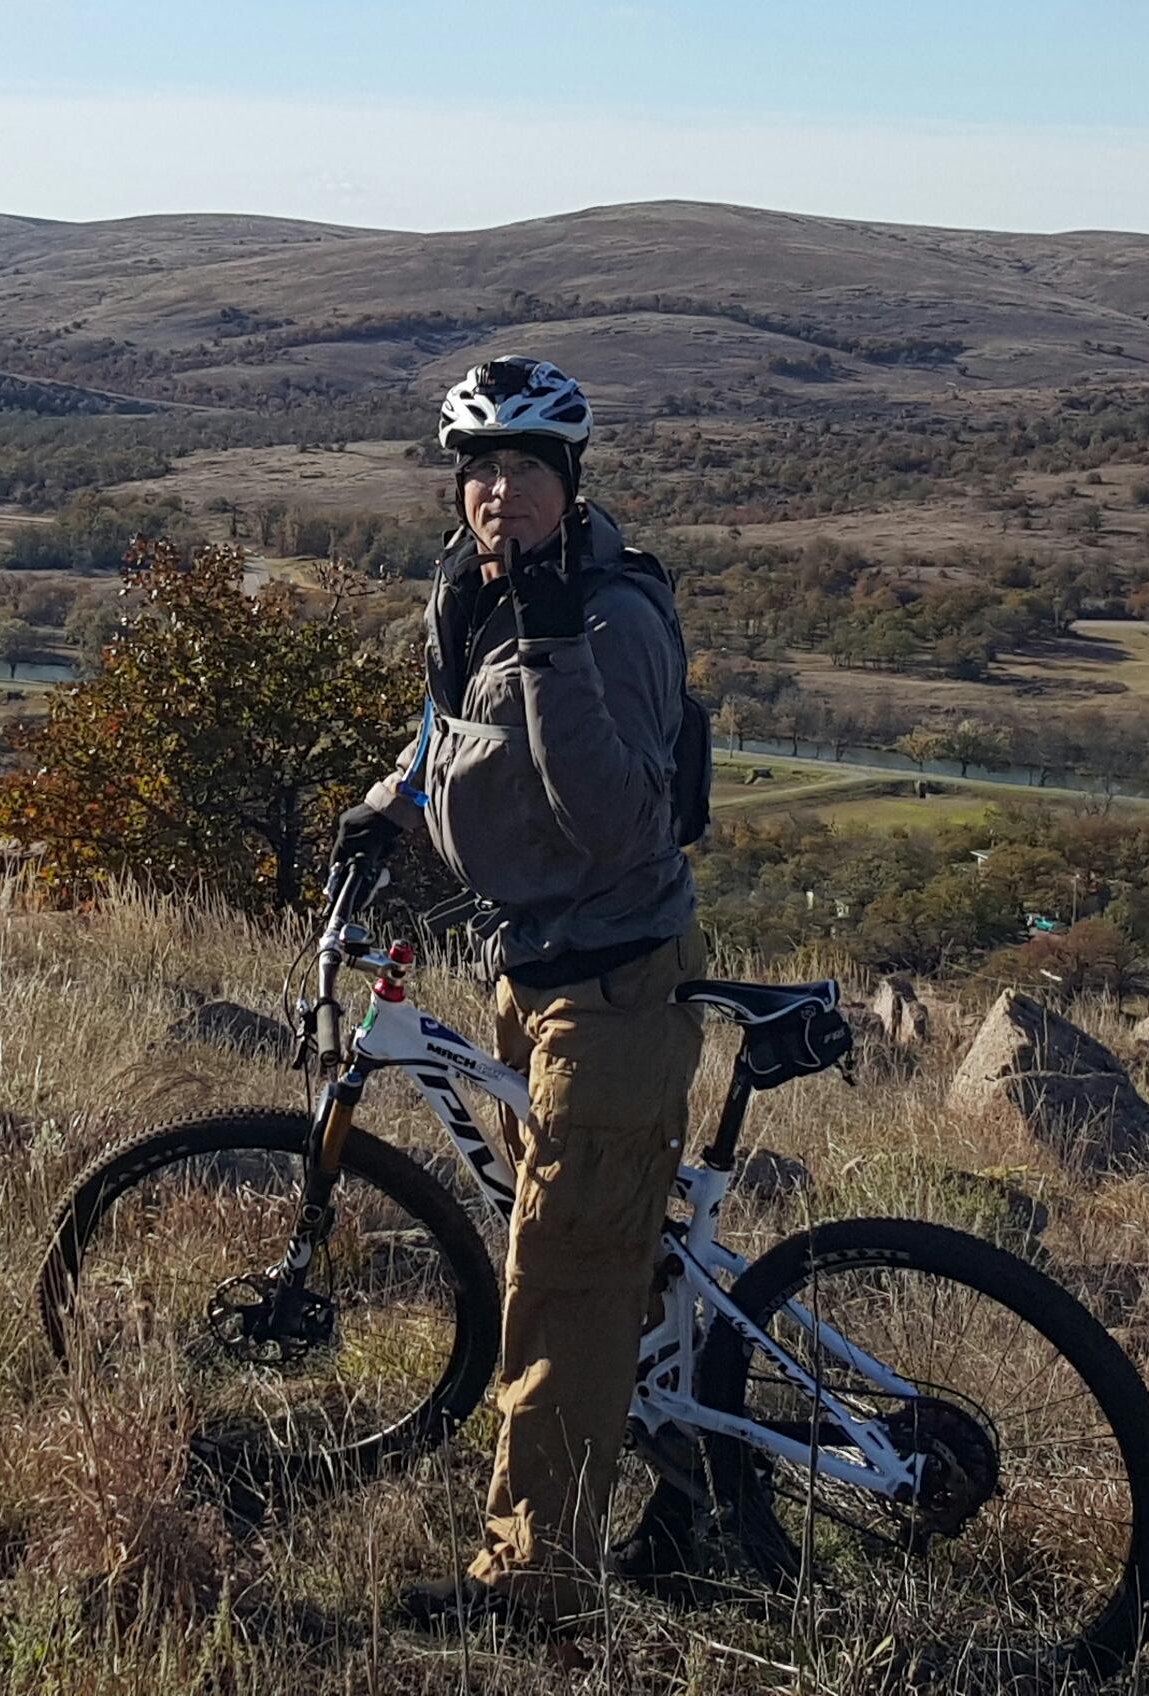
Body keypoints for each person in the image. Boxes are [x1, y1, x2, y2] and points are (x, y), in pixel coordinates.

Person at [332, 356, 705, 1628]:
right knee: (590, 1251)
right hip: (524, 966)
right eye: (478, 468)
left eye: (524, 469)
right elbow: (449, 731)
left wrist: (550, 647)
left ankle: (537, 1582)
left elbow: (614, 823)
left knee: (559, 1281)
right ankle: (691, 1490)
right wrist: (387, 804)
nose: (497, 491)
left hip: (610, 983)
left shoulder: (609, 618)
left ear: (569, 482)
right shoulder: (474, 588)